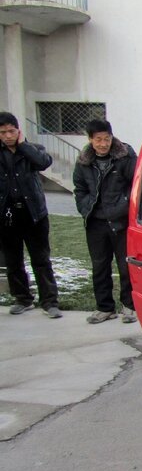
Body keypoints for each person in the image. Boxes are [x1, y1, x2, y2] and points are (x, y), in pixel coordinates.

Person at [73, 120, 138, 324]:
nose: (103, 144)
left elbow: (137, 183)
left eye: (107, 139)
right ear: (90, 140)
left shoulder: (125, 156)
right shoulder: (84, 161)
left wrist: (125, 205)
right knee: (100, 266)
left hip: (121, 221)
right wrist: (85, 208)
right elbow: (80, 189)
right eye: (98, 139)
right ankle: (104, 308)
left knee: (125, 265)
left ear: (112, 137)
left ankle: (129, 306)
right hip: (96, 222)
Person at [0, 111, 62, 318]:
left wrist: (23, 145)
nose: (8, 136)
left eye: (11, 131)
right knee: (13, 260)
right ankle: (22, 298)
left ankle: (50, 302)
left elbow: (43, 162)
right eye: (3, 132)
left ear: (18, 130)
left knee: (41, 259)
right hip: (7, 216)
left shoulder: (33, 149)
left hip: (34, 214)